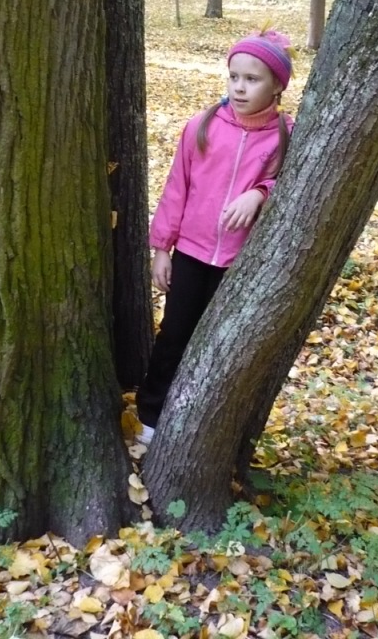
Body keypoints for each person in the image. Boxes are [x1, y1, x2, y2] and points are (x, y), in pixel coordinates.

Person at [136, 29, 295, 444]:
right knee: (174, 334)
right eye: (234, 76)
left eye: (252, 79)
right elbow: (177, 188)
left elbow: (291, 184)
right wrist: (161, 248)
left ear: (277, 86)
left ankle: (198, 421)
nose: (239, 87)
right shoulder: (202, 126)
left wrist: (259, 194)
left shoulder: (285, 134)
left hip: (239, 263)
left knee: (219, 345)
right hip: (191, 253)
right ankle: (150, 416)